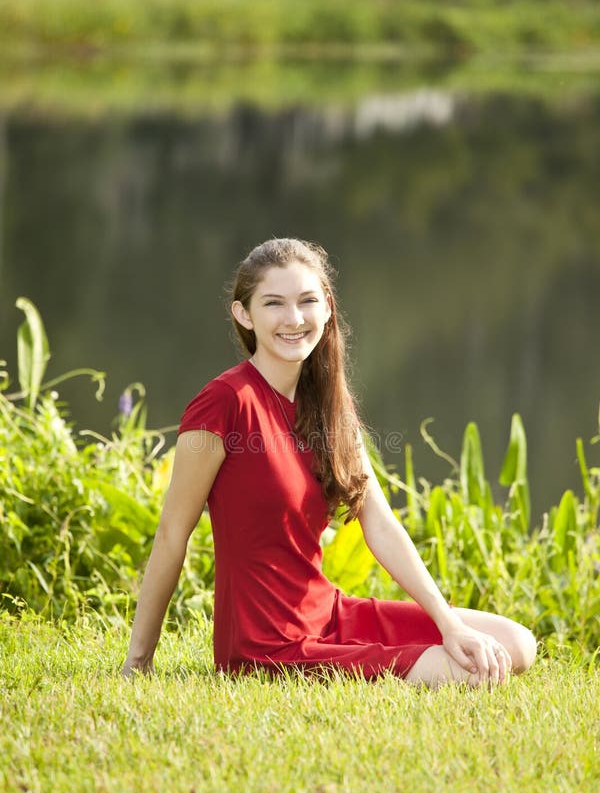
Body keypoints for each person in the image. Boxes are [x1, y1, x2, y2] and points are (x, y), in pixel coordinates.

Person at [122, 237, 537, 687]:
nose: (294, 319)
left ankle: (433, 642)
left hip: (330, 613)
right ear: (244, 314)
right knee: (472, 674)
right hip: (268, 647)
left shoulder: (328, 406)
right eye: (274, 303)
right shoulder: (223, 403)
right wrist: (138, 661)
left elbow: (379, 524)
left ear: (327, 309)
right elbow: (171, 535)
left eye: (307, 301)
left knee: (515, 643)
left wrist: (448, 622)